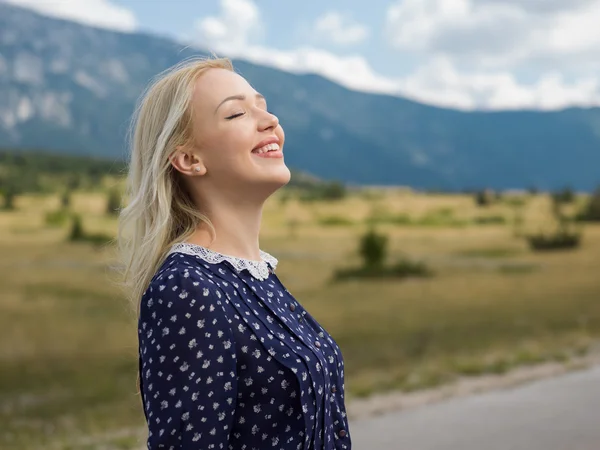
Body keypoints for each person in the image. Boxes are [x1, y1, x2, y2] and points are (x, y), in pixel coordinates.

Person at [117, 56, 352, 450]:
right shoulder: (187, 287)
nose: (269, 119)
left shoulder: (256, 275)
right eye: (237, 113)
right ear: (189, 159)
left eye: (262, 105)